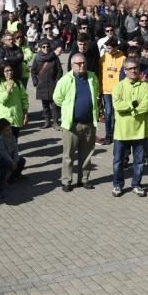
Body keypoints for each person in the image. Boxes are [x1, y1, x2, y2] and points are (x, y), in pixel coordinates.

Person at [54, 52, 100, 192]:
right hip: (72, 124)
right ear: (72, 65)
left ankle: (84, 179)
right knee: (68, 155)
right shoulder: (65, 79)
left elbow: (96, 93)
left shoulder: (92, 77)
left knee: (86, 154)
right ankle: (67, 181)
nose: (82, 66)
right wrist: (69, 109)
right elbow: (57, 98)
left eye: (84, 63)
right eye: (79, 64)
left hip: (89, 123)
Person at [110, 58, 148, 197]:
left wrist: (128, 108)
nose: (133, 71)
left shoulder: (145, 86)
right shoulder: (118, 87)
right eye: (130, 69)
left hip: (140, 131)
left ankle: (136, 184)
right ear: (125, 70)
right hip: (122, 131)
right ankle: (117, 185)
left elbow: (146, 106)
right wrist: (134, 105)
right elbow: (117, 106)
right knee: (118, 161)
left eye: (135, 68)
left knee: (139, 162)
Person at [31, 39, 63, 128]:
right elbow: (33, 70)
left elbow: (59, 70)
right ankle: (47, 122)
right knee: (45, 105)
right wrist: (35, 81)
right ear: (40, 48)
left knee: (54, 105)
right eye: (43, 47)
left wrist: (57, 81)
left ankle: (56, 122)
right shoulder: (37, 58)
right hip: (41, 85)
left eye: (47, 46)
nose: (46, 48)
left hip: (53, 84)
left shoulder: (55, 57)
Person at [99, 38, 124, 145]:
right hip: (106, 90)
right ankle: (108, 134)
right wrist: (99, 88)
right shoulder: (104, 57)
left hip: (117, 91)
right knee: (108, 112)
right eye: (107, 48)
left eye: (109, 48)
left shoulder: (123, 58)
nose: (108, 50)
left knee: (116, 114)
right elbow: (100, 73)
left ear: (115, 48)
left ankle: (115, 133)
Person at [0, 117, 26, 184]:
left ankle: (15, 175)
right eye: (7, 130)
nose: (10, 131)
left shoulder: (12, 137)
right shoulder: (0, 140)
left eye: (10, 129)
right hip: (1, 159)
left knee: (22, 160)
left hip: (10, 157)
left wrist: (16, 161)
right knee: (8, 164)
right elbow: (3, 153)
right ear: (1, 131)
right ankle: (3, 178)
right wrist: (12, 162)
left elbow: (16, 150)